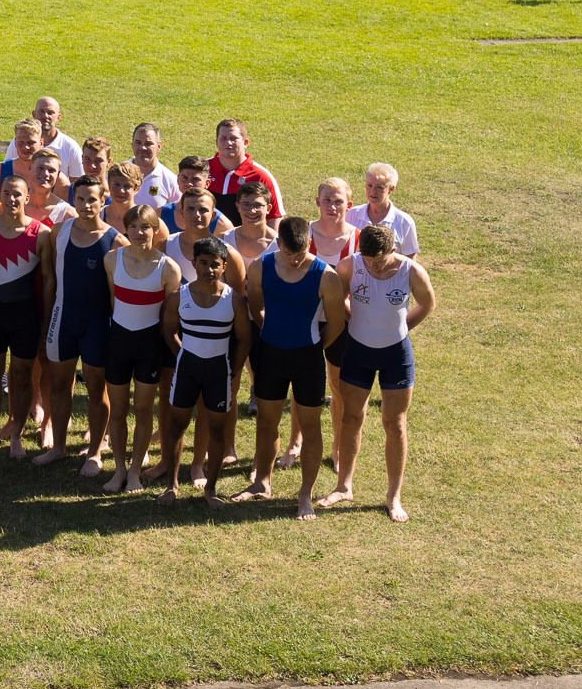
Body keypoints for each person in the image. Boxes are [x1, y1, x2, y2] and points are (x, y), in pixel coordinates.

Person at [319, 224, 435, 521]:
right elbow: (337, 297)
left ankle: (393, 495)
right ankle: (344, 486)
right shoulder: (350, 266)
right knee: (351, 417)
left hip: (396, 353)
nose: (372, 265)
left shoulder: (410, 270)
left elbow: (427, 304)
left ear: (393, 251)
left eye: (379, 261)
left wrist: (400, 329)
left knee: (394, 423)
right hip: (358, 351)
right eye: (368, 260)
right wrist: (355, 316)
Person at [238, 214, 337, 518]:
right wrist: (270, 329)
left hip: (307, 358)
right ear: (277, 244)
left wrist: (314, 347)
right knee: (267, 422)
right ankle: (261, 483)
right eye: (288, 253)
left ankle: (305, 494)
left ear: (311, 244)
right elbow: (254, 305)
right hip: (270, 353)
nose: (294, 260)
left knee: (310, 426)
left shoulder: (326, 275)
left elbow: (335, 323)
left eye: (301, 252)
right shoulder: (260, 267)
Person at [160, 238, 250, 504]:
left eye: (215, 265)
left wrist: (232, 369)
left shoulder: (232, 299)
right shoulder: (180, 296)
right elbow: (168, 330)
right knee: (177, 426)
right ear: (193, 263)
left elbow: (244, 339)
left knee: (218, 431)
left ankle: (210, 489)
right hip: (187, 369)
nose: (209, 269)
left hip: (218, 372)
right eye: (203, 263)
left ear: (224, 267)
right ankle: (171, 485)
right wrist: (183, 356)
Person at [36, 174, 115, 475]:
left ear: (102, 200)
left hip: (97, 325)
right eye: (80, 199)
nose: (85, 205)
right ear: (73, 200)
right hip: (63, 319)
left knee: (96, 387)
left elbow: (114, 296)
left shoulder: (114, 240)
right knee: (59, 384)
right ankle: (58, 447)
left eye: (92, 199)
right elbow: (51, 280)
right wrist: (46, 320)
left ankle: (95, 452)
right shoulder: (59, 232)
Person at [100, 207, 177, 495]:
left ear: (156, 229)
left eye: (146, 227)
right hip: (119, 341)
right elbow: (113, 299)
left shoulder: (168, 267)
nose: (139, 232)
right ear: (126, 229)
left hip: (149, 345)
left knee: (143, 409)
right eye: (133, 226)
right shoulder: (112, 259)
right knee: (118, 409)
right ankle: (119, 469)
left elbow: (169, 315)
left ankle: (135, 470)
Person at [0, 175, 46, 459]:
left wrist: (47, 314)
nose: (11, 199)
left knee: (22, 375)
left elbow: (48, 281)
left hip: (25, 317)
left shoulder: (40, 234)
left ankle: (16, 435)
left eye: (17, 194)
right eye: (6, 193)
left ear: (27, 198)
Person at [207, 118, 283, 226]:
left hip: (244, 241)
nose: (228, 142)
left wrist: (272, 243)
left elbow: (275, 217)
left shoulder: (261, 176)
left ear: (245, 142)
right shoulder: (202, 169)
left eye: (233, 138)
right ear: (216, 142)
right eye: (223, 138)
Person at [350, 162, 421, 258]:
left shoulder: (404, 222)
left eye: (379, 187)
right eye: (369, 185)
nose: (372, 191)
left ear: (391, 189)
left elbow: (410, 261)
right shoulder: (351, 215)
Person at [130, 123, 183, 210]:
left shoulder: (171, 181)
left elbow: (177, 215)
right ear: (132, 144)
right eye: (138, 142)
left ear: (158, 146)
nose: (143, 147)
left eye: (148, 143)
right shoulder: (116, 174)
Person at [30, 98, 84, 173]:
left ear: (58, 117)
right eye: (41, 111)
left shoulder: (71, 148)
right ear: (34, 114)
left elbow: (77, 183)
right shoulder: (20, 143)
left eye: (50, 113)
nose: (45, 116)